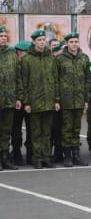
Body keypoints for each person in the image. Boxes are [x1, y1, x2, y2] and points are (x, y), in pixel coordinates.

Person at [19, 30, 60, 169]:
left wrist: (56, 100)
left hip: (49, 101)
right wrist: (27, 102)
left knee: (47, 132)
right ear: (34, 42)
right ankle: (37, 158)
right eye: (39, 40)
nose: (42, 42)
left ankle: (46, 157)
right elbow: (24, 83)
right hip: (34, 102)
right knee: (36, 132)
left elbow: (55, 81)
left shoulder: (51, 59)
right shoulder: (27, 60)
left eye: (43, 39)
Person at [56, 32, 90, 167]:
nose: (74, 44)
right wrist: (57, 99)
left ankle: (76, 155)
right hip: (66, 100)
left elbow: (88, 79)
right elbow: (56, 80)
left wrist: (86, 99)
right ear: (66, 44)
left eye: (76, 41)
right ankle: (67, 156)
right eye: (71, 42)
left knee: (76, 129)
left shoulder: (84, 58)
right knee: (66, 129)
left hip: (79, 99)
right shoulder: (60, 59)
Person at [0, 25, 19, 170]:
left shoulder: (12, 55)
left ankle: (5, 158)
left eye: (5, 36)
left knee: (6, 131)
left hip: (9, 100)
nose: (4, 38)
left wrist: (18, 98)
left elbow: (18, 77)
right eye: (1, 36)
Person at [11, 40, 32, 166]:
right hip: (17, 102)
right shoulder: (14, 65)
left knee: (31, 130)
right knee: (15, 130)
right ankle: (16, 153)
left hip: (30, 102)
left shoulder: (31, 64)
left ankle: (30, 154)